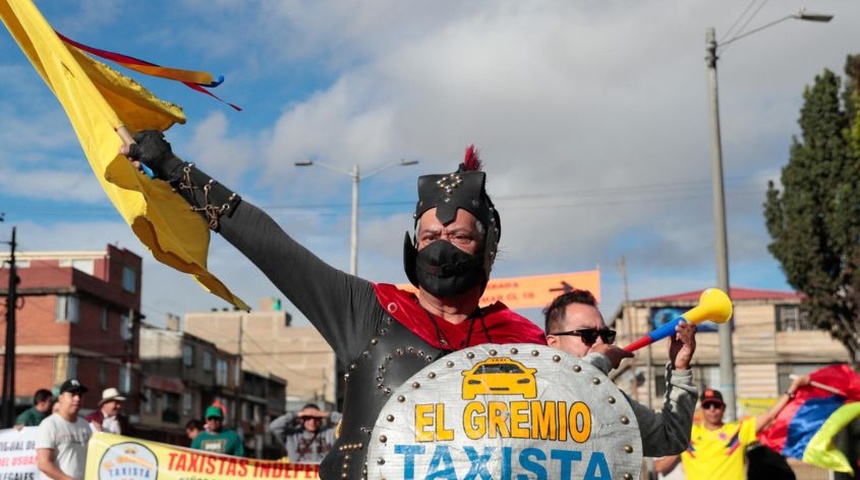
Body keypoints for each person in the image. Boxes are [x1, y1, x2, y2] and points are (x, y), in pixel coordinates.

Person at [124, 131, 546, 478]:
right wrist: (171, 168)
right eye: (430, 237)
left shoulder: (523, 346)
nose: (441, 248)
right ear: (413, 247)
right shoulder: (368, 312)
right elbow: (268, 245)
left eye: (459, 238)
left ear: (486, 250)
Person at [543, 289, 698, 457]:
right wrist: (600, 359)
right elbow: (566, 392)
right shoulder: (531, 390)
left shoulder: (612, 400)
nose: (600, 342)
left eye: (605, 335)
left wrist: (679, 369)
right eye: (587, 335)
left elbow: (671, 438)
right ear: (553, 343)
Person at [654, 374, 811, 480]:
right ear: (701, 409)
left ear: (723, 408)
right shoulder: (688, 433)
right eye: (707, 405)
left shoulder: (737, 431)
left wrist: (794, 387)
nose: (712, 409)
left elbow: (770, 415)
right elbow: (661, 466)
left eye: (716, 405)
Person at [36, 379, 91, 480]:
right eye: (72, 394)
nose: (77, 398)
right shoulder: (49, 424)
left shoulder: (85, 425)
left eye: (80, 395)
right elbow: (43, 463)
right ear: (60, 398)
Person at [269, 404, 342, 464]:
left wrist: (327, 414)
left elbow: (347, 423)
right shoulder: (292, 435)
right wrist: (295, 414)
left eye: (316, 418)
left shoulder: (330, 433)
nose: (312, 421)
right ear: (301, 419)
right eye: (308, 418)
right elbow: (274, 426)